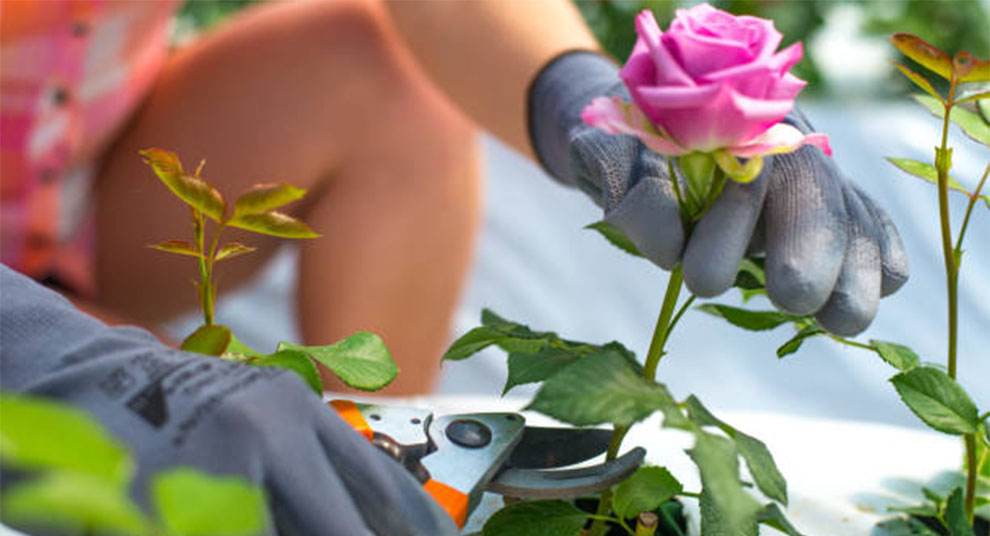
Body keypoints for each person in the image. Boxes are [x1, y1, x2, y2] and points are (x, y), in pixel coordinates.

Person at [1, 1, 907, 533]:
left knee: (375, 66)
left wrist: (586, 105)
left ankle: (383, 474)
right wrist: (46, 357)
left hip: (71, 186)